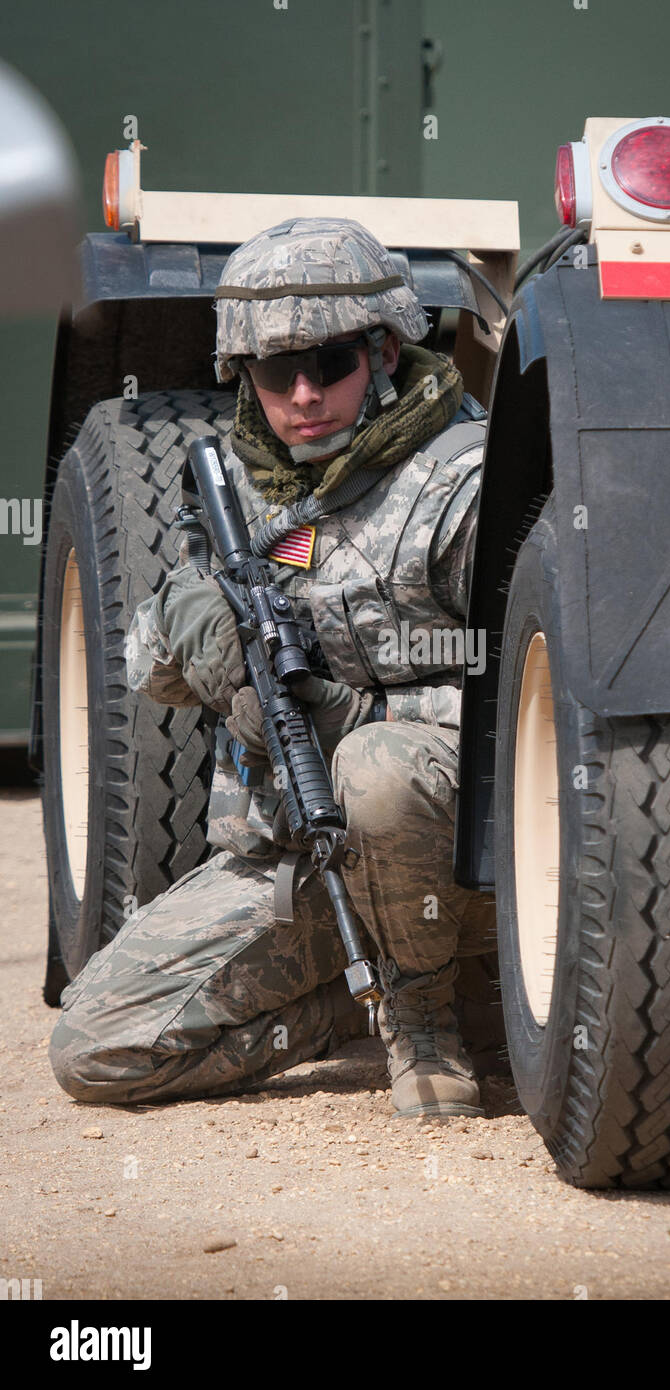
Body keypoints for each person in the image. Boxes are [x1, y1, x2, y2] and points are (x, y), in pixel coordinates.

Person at [49, 216, 501, 1120]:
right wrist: (196, 626)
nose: (302, 393)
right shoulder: (254, 493)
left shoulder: (462, 488)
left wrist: (348, 716)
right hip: (294, 856)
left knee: (379, 770)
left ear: (383, 351)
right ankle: (351, 1007)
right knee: (94, 1050)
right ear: (240, 376)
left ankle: (423, 1022)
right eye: (272, 371)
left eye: (329, 362)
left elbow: (533, 706)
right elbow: (150, 669)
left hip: (458, 862)